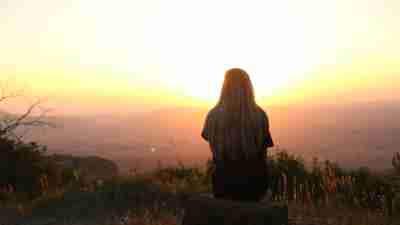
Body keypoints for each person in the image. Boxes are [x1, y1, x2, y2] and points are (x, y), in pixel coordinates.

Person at [201, 68, 274, 202]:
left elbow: (209, 141)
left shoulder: (213, 116)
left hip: (222, 186)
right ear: (249, 88)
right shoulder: (260, 116)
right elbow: (262, 157)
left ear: (224, 87)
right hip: (254, 187)